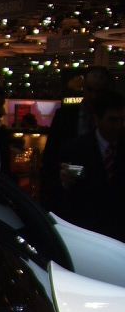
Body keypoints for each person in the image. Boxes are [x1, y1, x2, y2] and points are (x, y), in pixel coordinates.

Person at [40, 66, 114, 213]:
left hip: (102, 200)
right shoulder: (65, 116)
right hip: (69, 196)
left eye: (98, 91)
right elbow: (50, 157)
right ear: (84, 88)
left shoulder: (113, 121)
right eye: (90, 90)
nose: (93, 96)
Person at [56, 89, 125, 239]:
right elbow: (62, 194)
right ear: (97, 119)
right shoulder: (75, 149)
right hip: (87, 230)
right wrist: (64, 183)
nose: (119, 126)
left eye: (122, 120)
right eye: (113, 120)